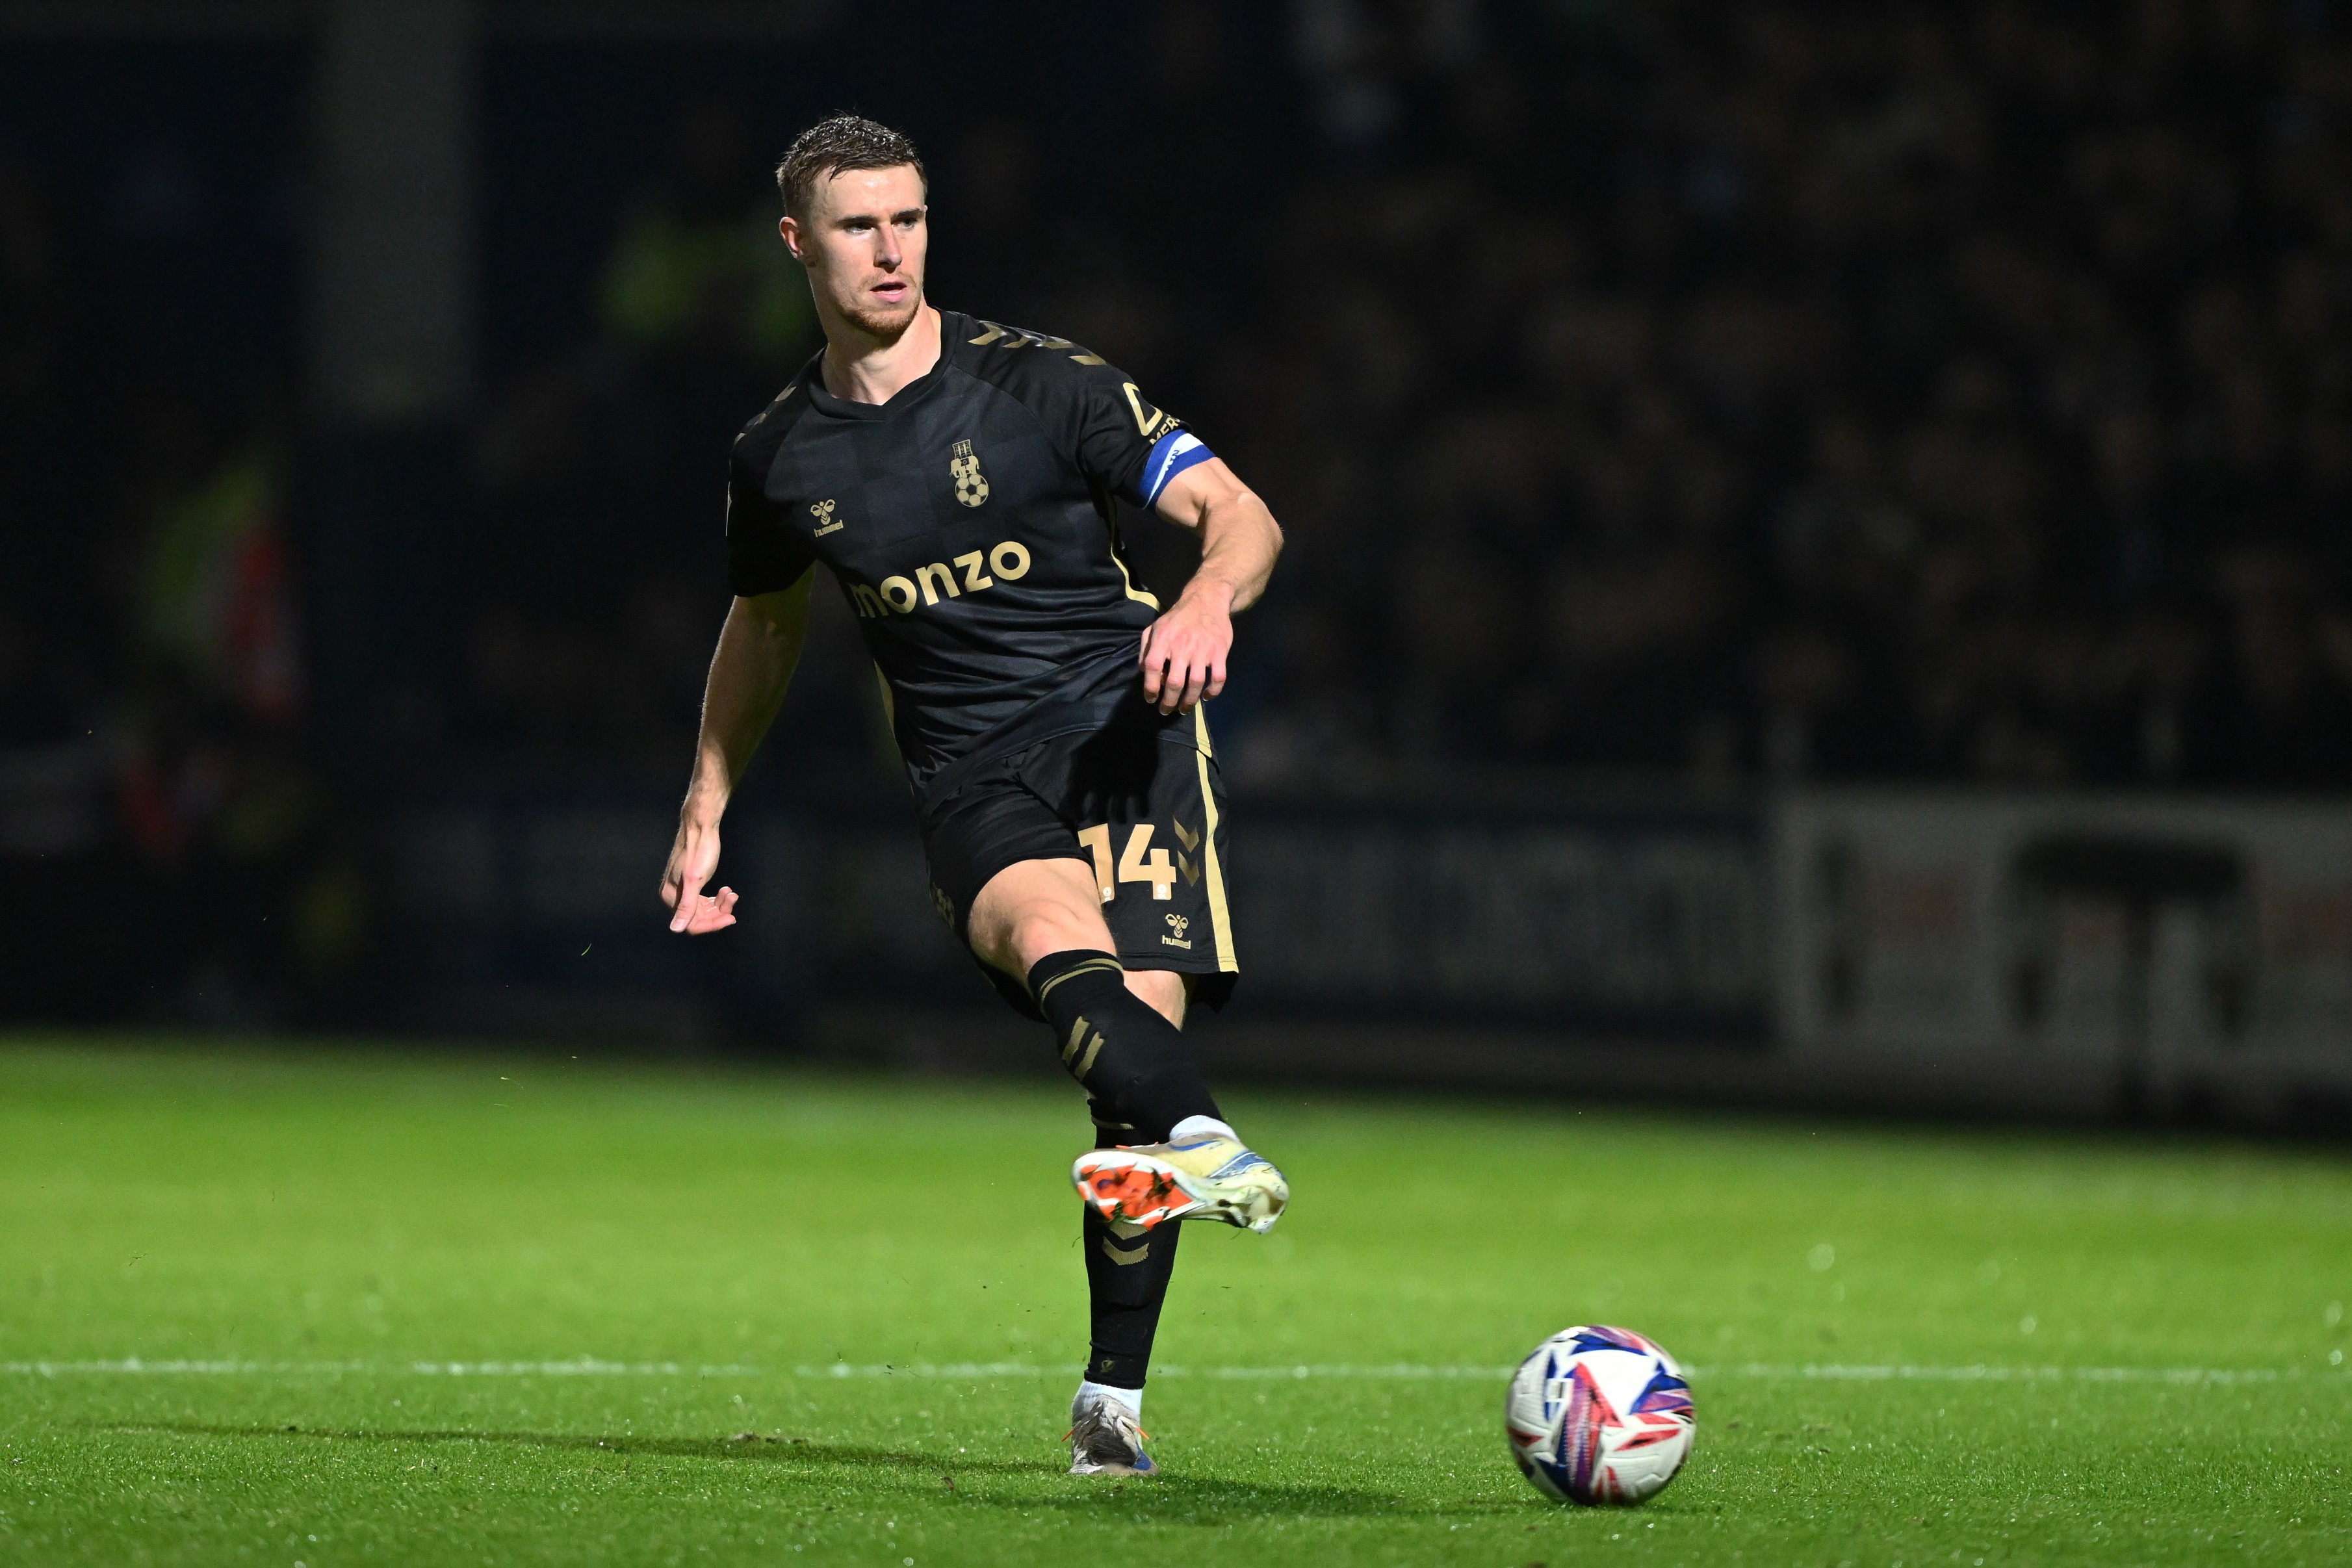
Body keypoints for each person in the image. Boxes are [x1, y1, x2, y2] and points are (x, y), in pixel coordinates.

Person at [658, 116, 1289, 1478]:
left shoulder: (1045, 385)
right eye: (857, 226)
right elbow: (763, 626)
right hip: (967, 769)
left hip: (1129, 731)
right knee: (1059, 952)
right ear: (797, 244)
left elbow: (1243, 514)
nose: (890, 251)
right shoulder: (778, 457)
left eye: (909, 221)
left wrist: (1199, 596)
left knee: (1128, 1069)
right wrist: (707, 795)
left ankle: (1109, 1401)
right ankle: (1204, 1136)